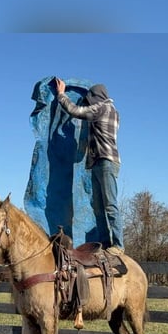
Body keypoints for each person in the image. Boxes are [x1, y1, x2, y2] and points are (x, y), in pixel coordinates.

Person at [53, 77, 124, 253]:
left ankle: (118, 246)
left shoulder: (102, 108)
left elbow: (76, 111)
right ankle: (105, 243)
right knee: (98, 207)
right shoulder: (114, 111)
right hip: (100, 162)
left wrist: (61, 95)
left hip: (106, 161)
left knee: (109, 205)